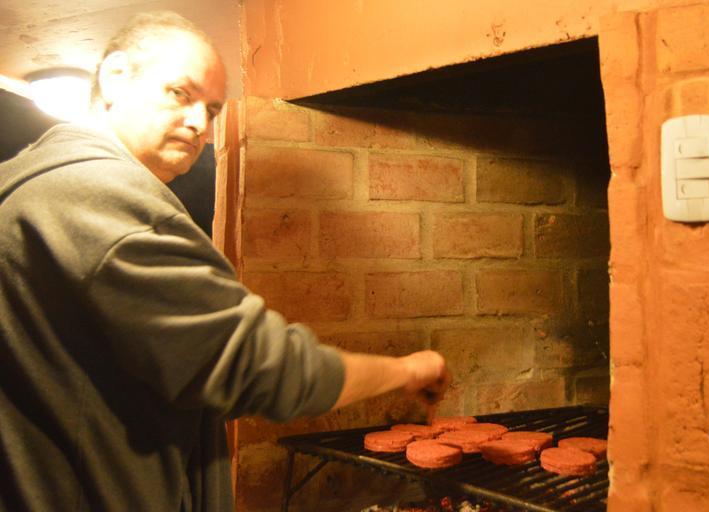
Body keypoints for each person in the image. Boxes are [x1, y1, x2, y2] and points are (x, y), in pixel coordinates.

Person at [0, 11, 449, 512]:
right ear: (115, 77)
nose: (200, 124)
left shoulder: (27, 183)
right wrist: (410, 369)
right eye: (180, 93)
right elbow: (267, 370)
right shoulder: (104, 203)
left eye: (212, 110)